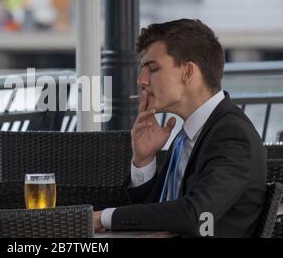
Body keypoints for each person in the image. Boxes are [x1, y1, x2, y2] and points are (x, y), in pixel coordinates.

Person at [93, 19, 266, 238]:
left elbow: (197, 215)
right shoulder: (187, 135)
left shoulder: (232, 135)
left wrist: (104, 218)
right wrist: (144, 161)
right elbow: (157, 212)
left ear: (188, 72)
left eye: (152, 69)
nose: (141, 80)